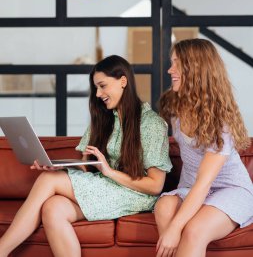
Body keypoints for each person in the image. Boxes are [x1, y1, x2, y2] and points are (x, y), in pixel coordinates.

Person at [0, 55, 172, 257]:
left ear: (123, 81)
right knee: (53, 208)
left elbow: (155, 186)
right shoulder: (103, 118)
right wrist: (59, 167)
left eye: (102, 86)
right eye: (96, 88)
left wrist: (108, 172)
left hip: (135, 195)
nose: (98, 94)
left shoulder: (152, 124)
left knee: (48, 180)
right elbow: (86, 166)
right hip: (106, 186)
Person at [154, 38, 253, 257]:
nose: (170, 70)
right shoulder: (173, 103)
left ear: (196, 67)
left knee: (193, 231)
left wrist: (174, 229)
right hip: (191, 187)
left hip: (229, 189)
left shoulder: (220, 121)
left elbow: (204, 183)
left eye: (177, 63)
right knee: (163, 208)